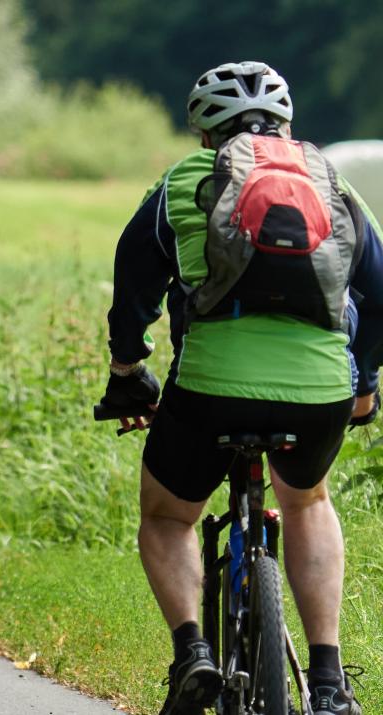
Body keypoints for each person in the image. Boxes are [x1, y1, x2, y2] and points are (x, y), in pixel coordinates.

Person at [101, 61, 382, 715]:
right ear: (286, 125)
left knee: (168, 515)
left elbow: (133, 281)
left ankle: (193, 652)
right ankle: (331, 682)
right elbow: (381, 290)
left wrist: (126, 370)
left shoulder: (182, 183)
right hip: (319, 389)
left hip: (209, 387)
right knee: (308, 501)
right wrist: (363, 381)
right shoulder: (329, 180)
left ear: (205, 133)